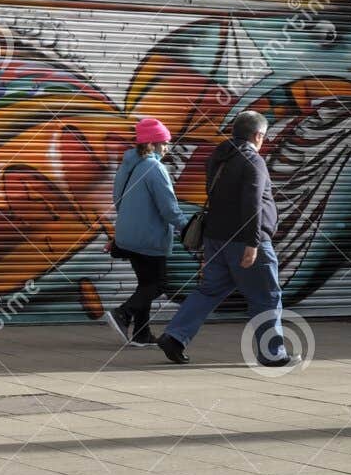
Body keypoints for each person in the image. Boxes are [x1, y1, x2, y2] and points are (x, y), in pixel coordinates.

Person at [157, 110, 298, 368]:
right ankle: (272, 353)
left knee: (210, 290)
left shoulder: (218, 156)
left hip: (215, 237)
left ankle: (175, 336)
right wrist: (254, 243)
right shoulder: (252, 161)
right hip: (243, 240)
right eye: (263, 137)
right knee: (266, 295)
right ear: (257, 135)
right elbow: (253, 204)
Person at [103, 117, 188, 346]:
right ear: (153, 143)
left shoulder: (128, 165)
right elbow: (168, 208)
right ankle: (123, 313)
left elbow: (117, 200)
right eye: (165, 142)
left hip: (128, 237)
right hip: (148, 238)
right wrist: (188, 228)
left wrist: (124, 229)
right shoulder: (155, 168)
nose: (168, 147)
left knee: (145, 284)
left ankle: (141, 334)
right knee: (158, 284)